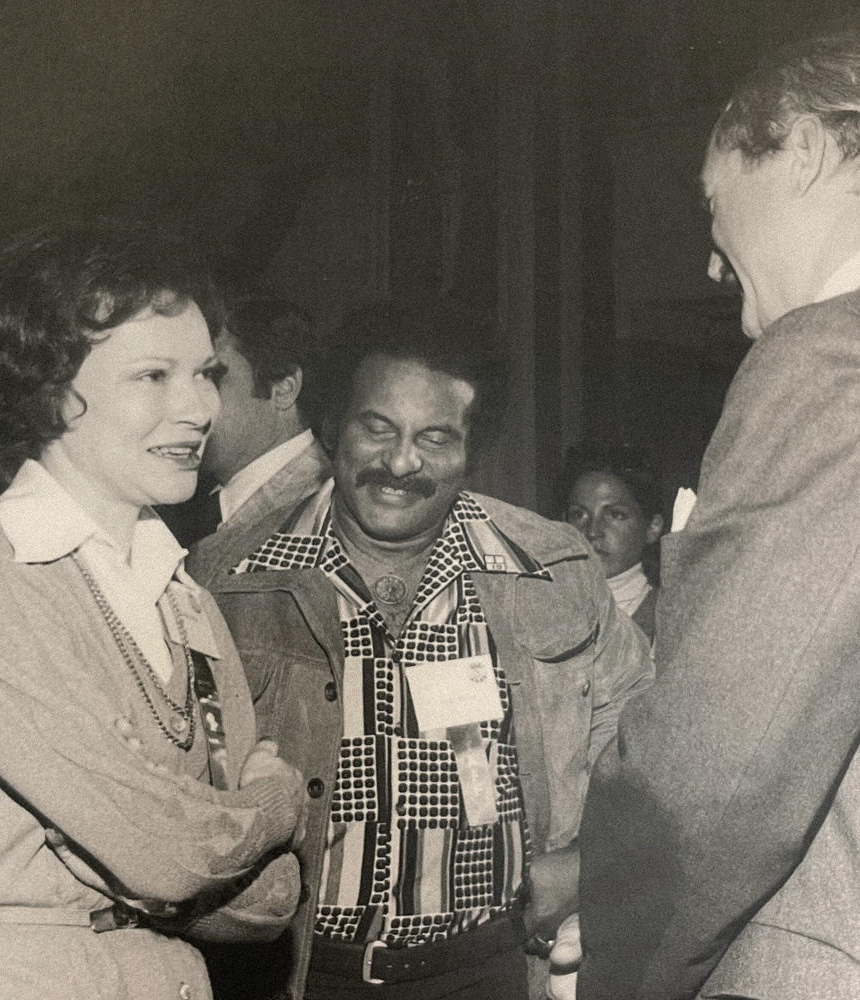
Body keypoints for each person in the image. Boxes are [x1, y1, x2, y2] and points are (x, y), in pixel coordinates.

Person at [578, 32, 860, 1000]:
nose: (709, 260)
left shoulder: (841, 353)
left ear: (803, 149)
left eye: (713, 202)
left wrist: (619, 970)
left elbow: (718, 773)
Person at [189, 298, 654, 1000]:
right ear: (332, 428)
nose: (401, 462)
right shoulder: (231, 581)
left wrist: (591, 859)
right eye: (377, 429)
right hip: (302, 976)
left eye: (435, 439)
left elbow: (647, 728)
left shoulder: (551, 569)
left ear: (471, 450)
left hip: (489, 972)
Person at [0, 219, 307, 1000]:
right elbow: (173, 855)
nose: (199, 409)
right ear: (50, 395)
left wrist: (181, 854)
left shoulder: (186, 598)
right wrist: (274, 802)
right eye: (153, 376)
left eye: (207, 372)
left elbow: (269, 901)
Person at [158, 291, 330, 550]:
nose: (187, 405)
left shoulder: (321, 515)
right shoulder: (196, 504)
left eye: (210, 376)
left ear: (284, 389)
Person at [558, 442, 664, 641]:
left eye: (616, 515)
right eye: (578, 514)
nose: (592, 531)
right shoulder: (540, 611)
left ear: (652, 528)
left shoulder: (670, 621)